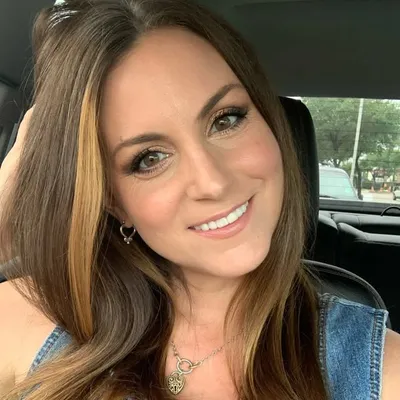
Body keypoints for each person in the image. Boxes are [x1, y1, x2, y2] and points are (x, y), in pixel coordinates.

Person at [0, 0, 399, 399]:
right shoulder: (30, 317)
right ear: (113, 202)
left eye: (226, 119)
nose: (212, 182)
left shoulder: (381, 369)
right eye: (150, 159)